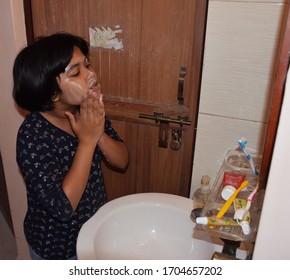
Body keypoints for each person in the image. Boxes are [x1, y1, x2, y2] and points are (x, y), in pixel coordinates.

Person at [12, 32, 129, 260]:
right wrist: (87, 140)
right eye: (76, 72)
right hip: (55, 249)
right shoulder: (32, 135)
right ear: (53, 93)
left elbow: (122, 161)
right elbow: (63, 208)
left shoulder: (86, 111)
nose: (91, 74)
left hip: (93, 235)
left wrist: (98, 133)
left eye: (88, 64)